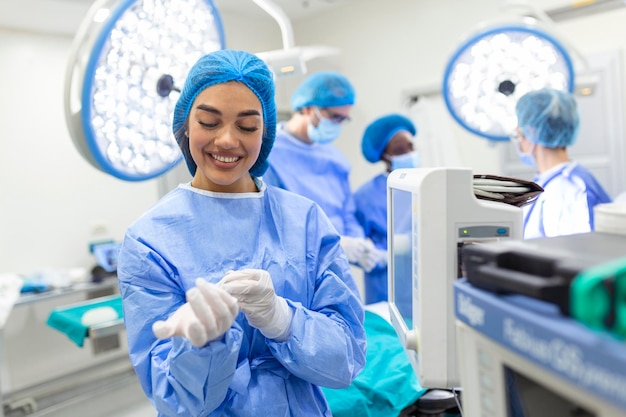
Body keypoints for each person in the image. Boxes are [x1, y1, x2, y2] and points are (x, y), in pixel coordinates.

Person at [116, 50, 366, 417]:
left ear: (265, 134)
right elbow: (173, 400)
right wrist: (203, 349)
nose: (228, 140)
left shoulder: (305, 221)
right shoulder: (150, 241)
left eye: (247, 126)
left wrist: (282, 320)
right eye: (209, 122)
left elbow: (347, 358)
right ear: (186, 126)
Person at [263, 71, 382, 274]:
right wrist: (327, 243)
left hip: (335, 268)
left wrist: (358, 244)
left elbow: (347, 213)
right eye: (334, 117)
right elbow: (272, 222)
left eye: (343, 119)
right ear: (308, 108)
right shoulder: (268, 153)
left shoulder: (335, 159)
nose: (338, 125)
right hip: (293, 269)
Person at [512, 87, 612, 239]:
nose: (519, 142)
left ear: (532, 132)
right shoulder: (549, 181)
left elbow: (574, 257)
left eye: (519, 134)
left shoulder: (566, 189)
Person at [353, 114, 418, 304]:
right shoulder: (365, 196)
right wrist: (377, 256)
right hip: (384, 286)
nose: (408, 153)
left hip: (425, 279)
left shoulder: (428, 184)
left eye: (410, 146)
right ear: (384, 155)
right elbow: (356, 242)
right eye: (399, 150)